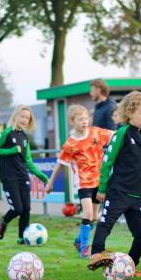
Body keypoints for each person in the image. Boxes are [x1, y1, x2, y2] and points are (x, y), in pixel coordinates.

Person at [87, 91, 141, 279]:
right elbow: (107, 162)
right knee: (105, 224)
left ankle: (130, 265)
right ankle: (96, 254)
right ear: (130, 113)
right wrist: (102, 189)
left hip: (137, 197)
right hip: (117, 192)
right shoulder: (121, 133)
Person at [45, 105, 113, 258]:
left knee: (94, 217)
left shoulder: (96, 132)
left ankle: (79, 240)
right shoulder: (70, 144)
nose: (84, 121)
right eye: (80, 119)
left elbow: (115, 135)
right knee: (88, 214)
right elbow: (60, 164)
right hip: (83, 184)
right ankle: (84, 249)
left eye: (86, 118)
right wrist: (50, 182)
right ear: (71, 121)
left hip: (99, 183)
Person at [0, 104, 49, 244]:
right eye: (22, 116)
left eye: (27, 118)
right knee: (17, 208)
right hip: (8, 178)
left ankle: (23, 237)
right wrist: (11, 150)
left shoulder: (24, 138)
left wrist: (43, 177)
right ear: (16, 116)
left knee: (26, 209)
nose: (24, 120)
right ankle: (3, 222)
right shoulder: (6, 133)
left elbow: (28, 161)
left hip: (23, 176)